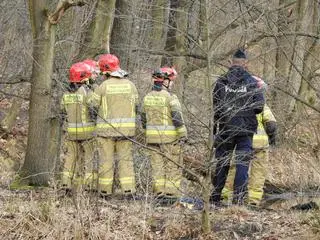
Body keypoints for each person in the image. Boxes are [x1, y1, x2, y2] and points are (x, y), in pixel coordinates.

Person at [211, 49, 265, 205]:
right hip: (245, 130)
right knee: (242, 164)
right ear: (245, 63)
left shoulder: (222, 81)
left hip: (225, 128)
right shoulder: (252, 82)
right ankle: (239, 199)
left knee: (222, 163)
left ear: (231, 62)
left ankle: (215, 197)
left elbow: (216, 105)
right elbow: (259, 107)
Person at [87, 54, 139, 196]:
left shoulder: (103, 86)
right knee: (126, 162)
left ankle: (105, 192)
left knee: (106, 162)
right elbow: (137, 106)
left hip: (105, 134)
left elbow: (92, 107)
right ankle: (129, 192)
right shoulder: (131, 85)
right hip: (126, 133)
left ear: (105, 70)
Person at [222, 77, 277, 206]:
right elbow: (271, 125)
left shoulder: (236, 104)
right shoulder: (262, 105)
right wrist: (273, 139)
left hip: (243, 141)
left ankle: (226, 197)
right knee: (258, 172)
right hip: (261, 144)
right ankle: (252, 201)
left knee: (235, 169)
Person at [141, 67, 187, 200]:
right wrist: (183, 135)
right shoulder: (170, 97)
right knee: (172, 166)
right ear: (165, 81)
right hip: (169, 139)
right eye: (171, 81)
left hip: (152, 139)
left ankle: (159, 194)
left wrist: (147, 133)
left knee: (157, 167)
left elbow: (143, 119)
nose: (172, 84)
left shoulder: (147, 97)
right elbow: (177, 118)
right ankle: (171, 195)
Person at [60, 61, 97, 190]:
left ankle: (66, 183)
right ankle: (89, 185)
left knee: (70, 158)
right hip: (87, 133)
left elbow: (62, 112)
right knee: (89, 159)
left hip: (71, 132)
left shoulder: (66, 95)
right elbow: (94, 110)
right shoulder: (87, 92)